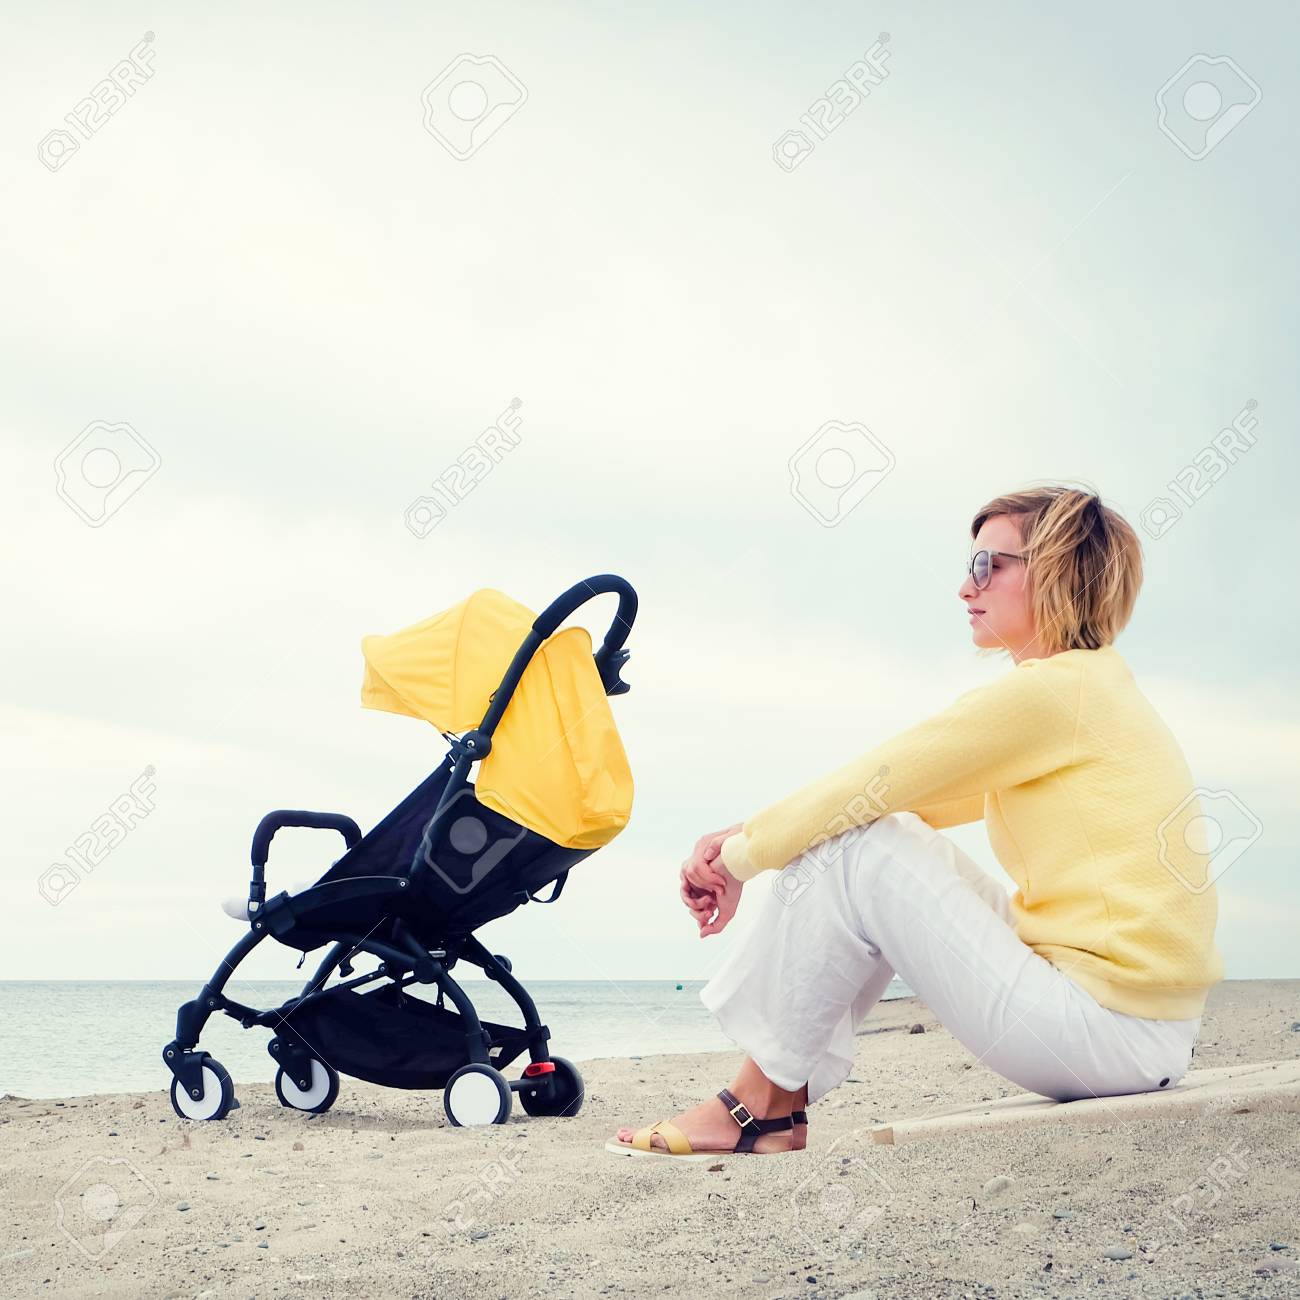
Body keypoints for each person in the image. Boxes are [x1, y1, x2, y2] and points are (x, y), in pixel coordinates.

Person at [607, 484, 1223, 1159]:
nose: (966, 586)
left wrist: (739, 860)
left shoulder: (1053, 694)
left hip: (1106, 1035)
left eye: (989, 565)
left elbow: (879, 780)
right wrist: (748, 836)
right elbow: (898, 797)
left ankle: (754, 1107)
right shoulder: (1091, 689)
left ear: (1053, 572)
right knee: (866, 838)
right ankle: (772, 1110)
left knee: (864, 847)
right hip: (1136, 1031)